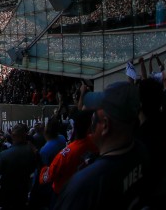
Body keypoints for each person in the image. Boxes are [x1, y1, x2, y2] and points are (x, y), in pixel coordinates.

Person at [55, 81, 152, 209]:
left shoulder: (84, 186)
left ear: (105, 125)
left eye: (95, 111)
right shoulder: (143, 151)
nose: (92, 116)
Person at [0, 123, 37, 210]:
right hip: (23, 193)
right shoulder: (31, 151)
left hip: (7, 196)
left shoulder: (4, 154)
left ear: (13, 136)